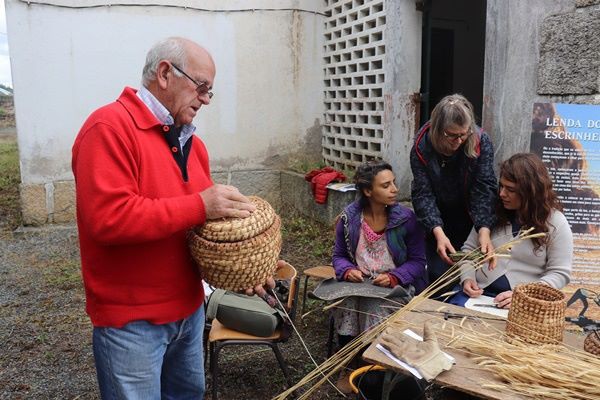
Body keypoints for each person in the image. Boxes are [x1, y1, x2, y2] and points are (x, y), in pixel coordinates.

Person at [71, 37, 272, 399]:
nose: (207, 99)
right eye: (202, 87)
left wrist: (245, 265)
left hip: (190, 312)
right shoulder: (108, 128)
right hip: (132, 324)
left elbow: (205, 230)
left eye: (211, 91)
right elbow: (108, 218)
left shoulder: (195, 144)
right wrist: (200, 205)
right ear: (165, 73)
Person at [453, 153, 573, 308]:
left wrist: (526, 295)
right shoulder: (491, 211)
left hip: (522, 304)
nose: (502, 193)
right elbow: (468, 251)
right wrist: (467, 278)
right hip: (476, 297)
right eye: (501, 186)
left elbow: (560, 273)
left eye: (510, 189)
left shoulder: (556, 222)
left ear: (530, 191)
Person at [332, 160, 427, 346]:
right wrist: (348, 270)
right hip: (360, 285)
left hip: (396, 288)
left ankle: (373, 367)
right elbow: (339, 256)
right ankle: (348, 361)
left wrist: (395, 277)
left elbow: (418, 261)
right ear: (368, 191)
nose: (395, 189)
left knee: (372, 306)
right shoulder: (349, 219)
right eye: (386, 185)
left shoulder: (406, 219)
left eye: (394, 182)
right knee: (348, 304)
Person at [410, 94, 497, 292]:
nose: (459, 140)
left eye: (463, 134)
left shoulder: (480, 141)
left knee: (473, 271)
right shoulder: (421, 146)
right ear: (438, 130)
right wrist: (437, 231)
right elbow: (423, 193)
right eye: (452, 135)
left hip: (470, 214)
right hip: (438, 216)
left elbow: (484, 186)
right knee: (438, 274)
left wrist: (484, 228)